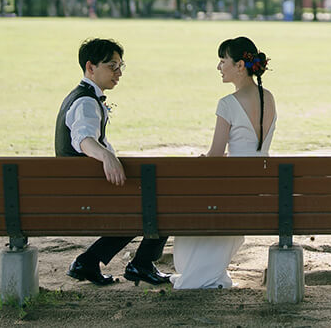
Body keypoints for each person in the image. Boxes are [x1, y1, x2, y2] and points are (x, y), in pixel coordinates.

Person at [57, 37, 170, 286]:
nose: (118, 73)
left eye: (120, 66)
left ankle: (89, 262)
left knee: (147, 200)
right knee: (160, 202)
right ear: (90, 67)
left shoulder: (82, 96)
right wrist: (107, 156)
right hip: (86, 191)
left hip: (80, 186)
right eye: (112, 66)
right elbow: (84, 139)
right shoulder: (85, 102)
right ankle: (141, 264)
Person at [170, 36, 277, 289]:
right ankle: (207, 267)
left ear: (240, 65)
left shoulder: (227, 103)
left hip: (235, 187)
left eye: (222, 61)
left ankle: (196, 269)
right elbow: (252, 147)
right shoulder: (269, 97)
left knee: (186, 202)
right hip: (261, 184)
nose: (219, 67)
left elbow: (216, 154)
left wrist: (204, 160)